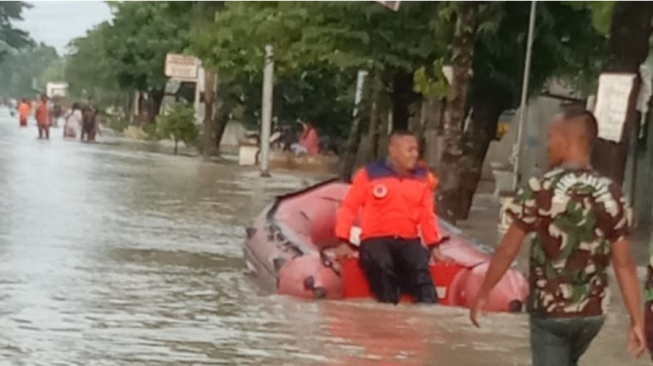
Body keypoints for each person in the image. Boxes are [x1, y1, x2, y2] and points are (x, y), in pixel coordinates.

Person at [469, 108, 645, 365]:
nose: (548, 145)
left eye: (551, 138)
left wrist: (483, 292)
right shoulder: (613, 194)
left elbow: (508, 250)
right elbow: (624, 264)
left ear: (566, 141)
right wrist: (636, 321)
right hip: (592, 314)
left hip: (550, 313)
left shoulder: (540, 189)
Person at [334, 130, 451, 304]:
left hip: (408, 241)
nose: (414, 155)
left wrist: (434, 247)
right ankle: (388, 310)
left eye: (416, 150)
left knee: (420, 271)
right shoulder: (369, 174)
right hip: (375, 239)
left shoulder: (422, 179)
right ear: (393, 151)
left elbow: (427, 216)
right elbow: (349, 208)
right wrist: (343, 241)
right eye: (409, 150)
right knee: (382, 266)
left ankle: (428, 314)